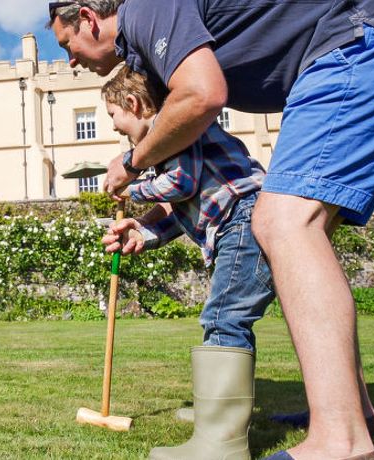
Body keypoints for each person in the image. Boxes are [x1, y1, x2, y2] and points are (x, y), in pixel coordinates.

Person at [47, 1, 374, 459]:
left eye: (67, 44)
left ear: (87, 17)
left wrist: (132, 167)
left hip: (353, 44)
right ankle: (351, 415)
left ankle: (243, 441)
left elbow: (201, 101)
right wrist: (144, 232)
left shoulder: (146, 10)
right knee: (299, 239)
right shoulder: (154, 68)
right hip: (338, 52)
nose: (70, 60)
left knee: (266, 248)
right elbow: (186, 199)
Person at [101, 65, 274, 459]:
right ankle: (215, 417)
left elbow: (181, 185)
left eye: (114, 117)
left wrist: (133, 183)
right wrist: (143, 232)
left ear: (132, 103)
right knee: (227, 318)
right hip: (240, 220)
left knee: (224, 318)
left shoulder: (171, 124)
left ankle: (221, 443)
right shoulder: (166, 143)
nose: (114, 129)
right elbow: (181, 206)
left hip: (244, 219)